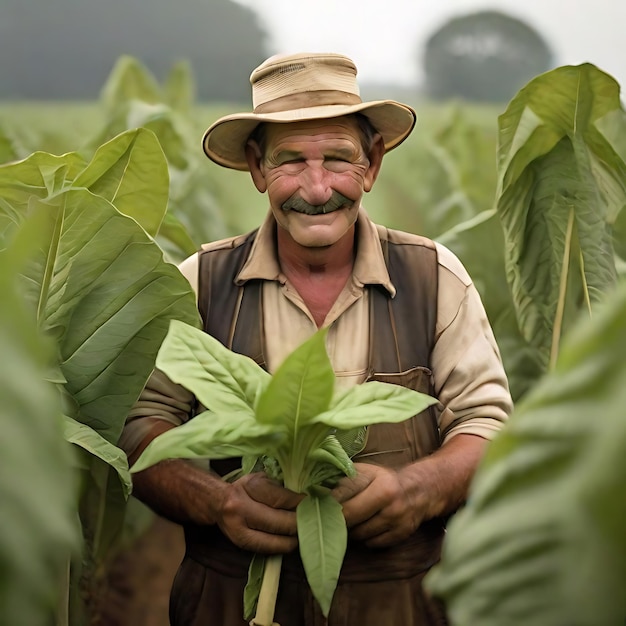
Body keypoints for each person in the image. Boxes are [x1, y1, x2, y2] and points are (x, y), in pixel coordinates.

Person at [120, 51, 513, 626]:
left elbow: (488, 424)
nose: (318, 187)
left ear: (373, 164)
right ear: (256, 168)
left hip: (397, 604)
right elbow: (139, 427)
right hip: (234, 603)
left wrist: (417, 488)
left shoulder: (434, 278)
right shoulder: (199, 283)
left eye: (338, 158)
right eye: (289, 161)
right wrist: (217, 502)